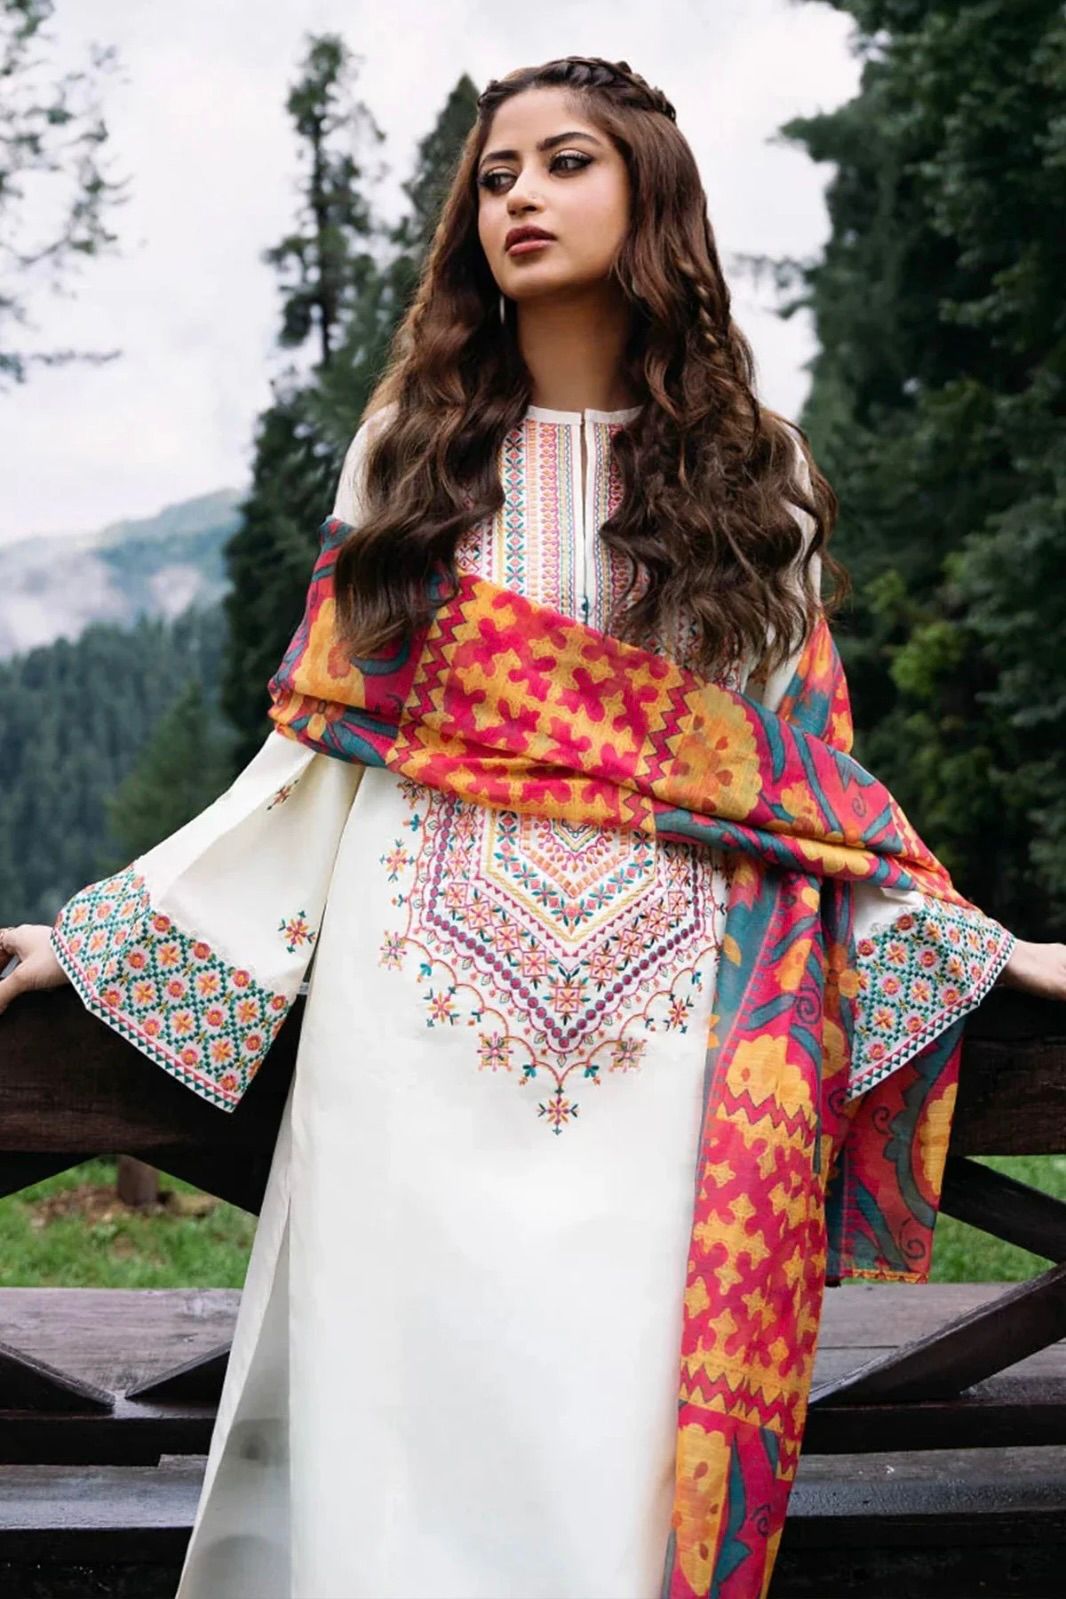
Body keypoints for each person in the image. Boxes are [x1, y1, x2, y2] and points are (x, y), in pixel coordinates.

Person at [1, 54, 1062, 1599]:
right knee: (402, 1425)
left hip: (679, 1021)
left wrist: (966, 940)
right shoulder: (409, 452)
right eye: (495, 175)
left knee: (616, 1430)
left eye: (564, 163)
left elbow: (803, 785)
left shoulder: (757, 472)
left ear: (650, 196)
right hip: (410, 1011)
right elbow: (321, 750)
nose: (519, 197)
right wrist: (114, 935)